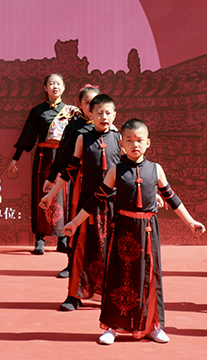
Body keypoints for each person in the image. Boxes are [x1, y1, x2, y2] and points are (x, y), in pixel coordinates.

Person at [64, 118, 206, 345]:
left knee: (149, 277)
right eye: (129, 140)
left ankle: (153, 326)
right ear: (121, 144)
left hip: (148, 231)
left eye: (139, 140)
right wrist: (74, 222)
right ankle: (112, 327)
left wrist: (191, 222)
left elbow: (172, 198)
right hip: (122, 230)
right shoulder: (115, 170)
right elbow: (94, 200)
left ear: (148, 143)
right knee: (118, 277)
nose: (134, 144)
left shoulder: (155, 169)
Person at [42, 93, 120, 310]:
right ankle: (73, 295)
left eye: (108, 113)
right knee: (80, 249)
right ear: (90, 115)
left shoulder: (120, 139)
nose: (104, 117)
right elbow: (70, 170)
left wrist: (155, 193)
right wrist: (51, 195)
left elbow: (131, 172)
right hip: (87, 205)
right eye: (99, 113)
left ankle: (109, 295)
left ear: (115, 115)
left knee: (110, 250)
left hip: (114, 205)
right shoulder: (82, 138)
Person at [9, 73, 76, 255]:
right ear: (45, 88)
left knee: (64, 195)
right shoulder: (38, 111)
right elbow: (27, 136)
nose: (55, 87)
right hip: (44, 157)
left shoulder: (71, 112)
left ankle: (63, 239)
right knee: (42, 193)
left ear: (63, 88)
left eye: (58, 83)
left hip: (64, 157)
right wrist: (15, 158)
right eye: (51, 83)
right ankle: (40, 239)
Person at [46, 84, 100, 278]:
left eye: (95, 102)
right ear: (80, 104)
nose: (91, 107)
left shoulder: (108, 128)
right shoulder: (74, 127)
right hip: (79, 181)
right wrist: (51, 177)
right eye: (87, 102)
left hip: (103, 184)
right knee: (76, 219)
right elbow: (63, 154)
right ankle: (72, 263)